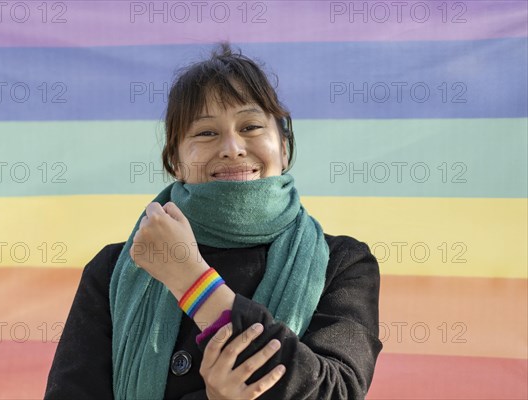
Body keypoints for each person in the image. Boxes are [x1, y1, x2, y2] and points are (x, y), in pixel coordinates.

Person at [44, 42, 383, 400]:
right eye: (206, 132)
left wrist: (192, 282)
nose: (232, 148)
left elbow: (336, 392)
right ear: (174, 160)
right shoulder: (115, 270)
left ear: (283, 146)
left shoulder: (342, 262)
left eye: (251, 126)